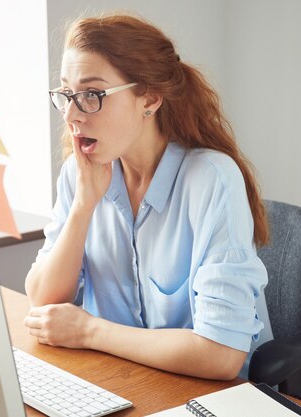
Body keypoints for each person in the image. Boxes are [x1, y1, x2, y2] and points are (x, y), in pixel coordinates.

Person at [24, 13, 270, 380]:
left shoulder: (211, 180)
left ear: (149, 99)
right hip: (125, 378)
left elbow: (221, 355)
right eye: (67, 95)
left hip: (205, 394)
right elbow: (43, 302)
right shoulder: (81, 174)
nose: (72, 115)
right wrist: (83, 207)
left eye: (91, 95)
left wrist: (90, 331)